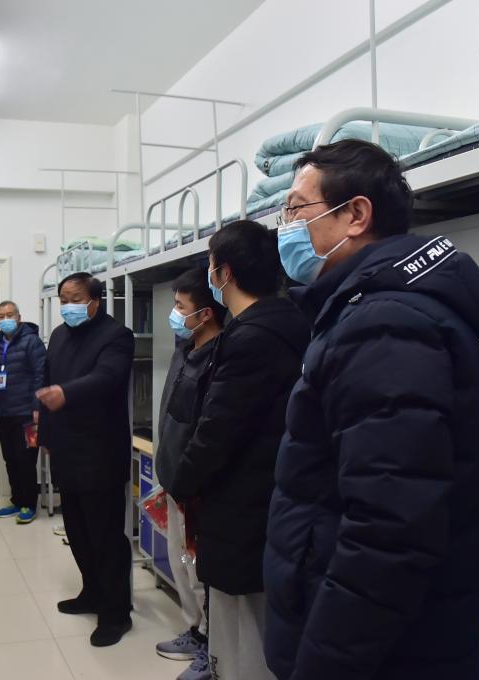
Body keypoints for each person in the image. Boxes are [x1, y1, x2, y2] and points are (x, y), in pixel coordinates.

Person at [264, 139, 479, 680]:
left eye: (296, 209)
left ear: (355, 215)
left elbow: (389, 529)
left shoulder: (386, 324)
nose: (286, 226)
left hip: (384, 654)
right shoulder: (365, 310)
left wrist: (322, 665)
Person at [170, 221, 310, 680]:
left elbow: (218, 431)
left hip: (244, 504)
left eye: (211, 265)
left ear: (224, 273)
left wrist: (183, 483)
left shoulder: (251, 337)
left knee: (244, 636)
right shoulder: (288, 321)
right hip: (270, 497)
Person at [38, 273, 135, 647]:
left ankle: (116, 613)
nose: (68, 306)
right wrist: (46, 436)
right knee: (77, 531)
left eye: (75, 298)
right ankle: (91, 593)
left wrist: (66, 392)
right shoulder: (59, 335)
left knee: (106, 535)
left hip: (100, 452)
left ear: (96, 300)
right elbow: (47, 381)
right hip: (65, 449)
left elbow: (108, 377)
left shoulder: (116, 335)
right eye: (63, 299)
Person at [152, 268, 226, 680]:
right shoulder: (186, 349)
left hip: (195, 485)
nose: (174, 314)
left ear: (206, 313)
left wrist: (187, 479)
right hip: (175, 476)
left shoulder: (221, 356)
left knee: (200, 570)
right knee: (182, 564)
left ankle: (214, 648)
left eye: (180, 306)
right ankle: (197, 631)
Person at [0, 300, 46, 525]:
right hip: (4, 413)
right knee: (10, 459)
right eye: (1, 316)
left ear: (19, 317)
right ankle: (17, 500)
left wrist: (37, 407)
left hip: (27, 414)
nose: (5, 319)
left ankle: (29, 504)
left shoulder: (32, 341)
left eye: (10, 315)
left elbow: (41, 374)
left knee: (26, 460)